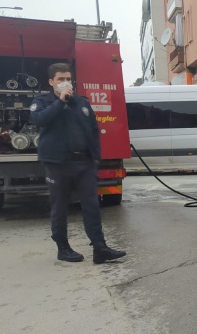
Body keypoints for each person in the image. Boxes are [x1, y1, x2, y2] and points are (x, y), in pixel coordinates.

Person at [30, 63, 126, 264]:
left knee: (91, 205)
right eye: (60, 79)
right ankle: (63, 248)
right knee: (60, 207)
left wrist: (95, 156)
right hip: (57, 164)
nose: (65, 83)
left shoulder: (81, 102)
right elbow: (39, 120)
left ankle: (100, 248)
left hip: (84, 163)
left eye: (68, 79)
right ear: (51, 82)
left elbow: (93, 130)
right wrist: (61, 101)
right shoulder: (43, 101)